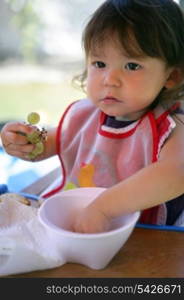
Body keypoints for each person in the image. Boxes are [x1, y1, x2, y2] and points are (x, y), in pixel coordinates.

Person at [1, 0, 184, 233]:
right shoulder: (85, 115)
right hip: (78, 227)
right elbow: (60, 140)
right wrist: (26, 143)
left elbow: (177, 172)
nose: (110, 79)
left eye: (131, 66)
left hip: (143, 236)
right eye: (99, 63)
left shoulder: (172, 125)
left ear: (172, 76)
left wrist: (104, 208)